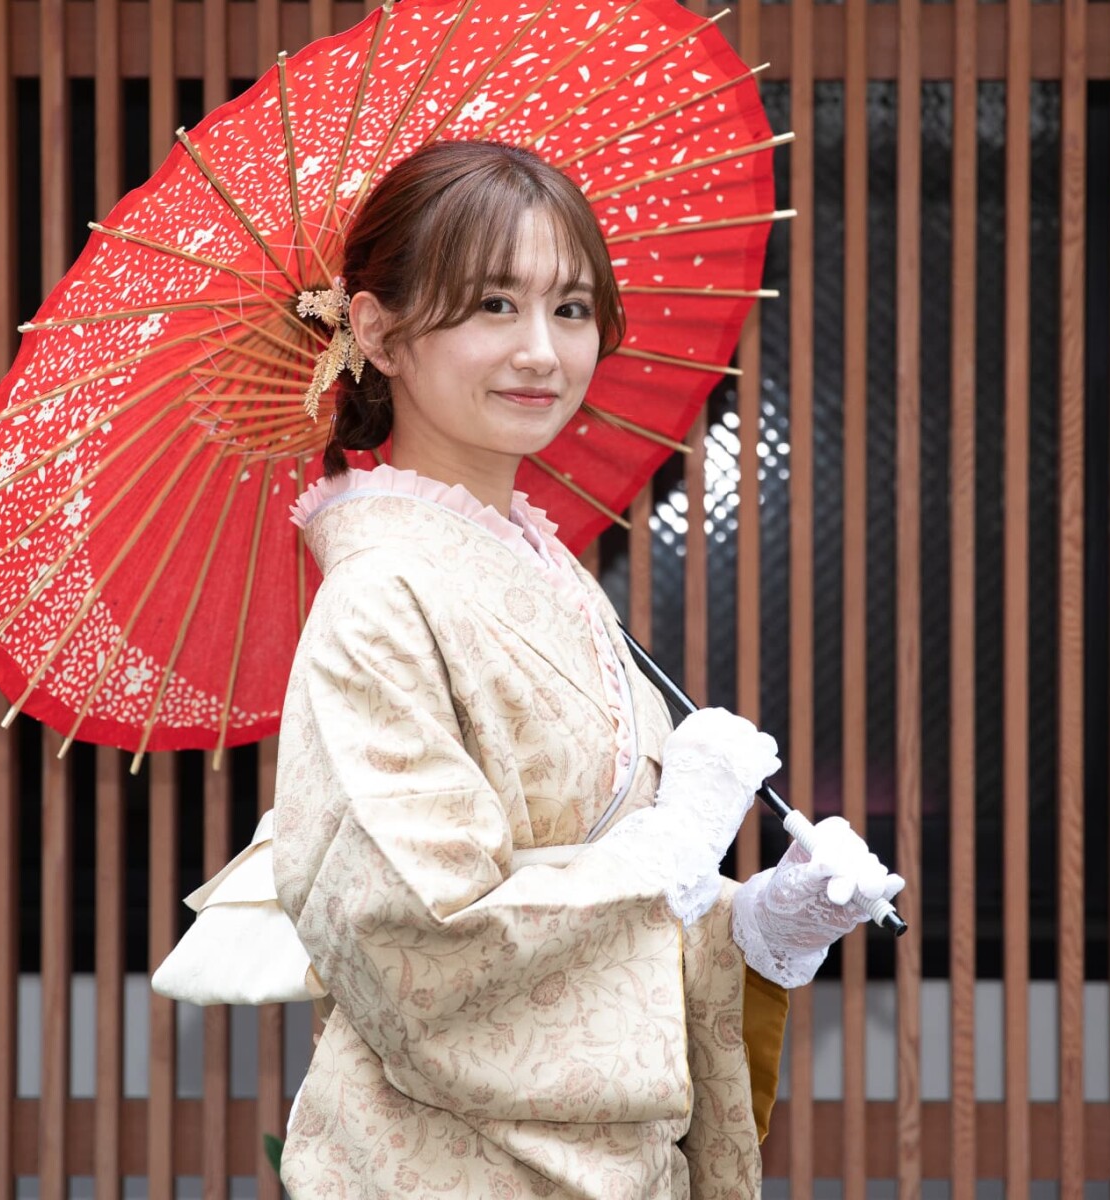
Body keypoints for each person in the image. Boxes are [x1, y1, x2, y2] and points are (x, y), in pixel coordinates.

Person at [270, 139, 904, 1199]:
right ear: (377, 331)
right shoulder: (379, 601)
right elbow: (423, 941)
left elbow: (610, 911)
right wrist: (672, 843)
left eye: (570, 309)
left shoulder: (547, 569)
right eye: (489, 305)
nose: (541, 351)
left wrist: (752, 925)